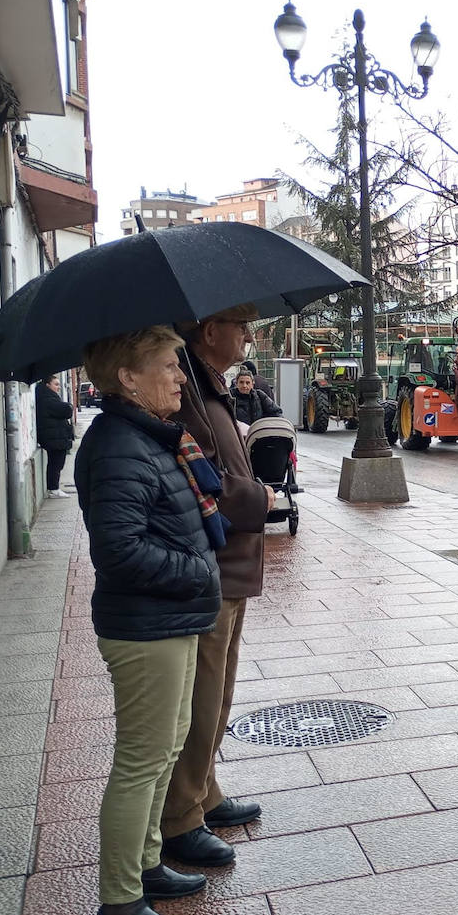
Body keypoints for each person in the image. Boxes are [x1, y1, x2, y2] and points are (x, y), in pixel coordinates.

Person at [75, 325, 226, 915]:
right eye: (169, 365)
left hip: (172, 618)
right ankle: (119, 906)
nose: (181, 376)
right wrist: (200, 572)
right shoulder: (116, 445)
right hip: (146, 627)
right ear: (128, 378)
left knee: (164, 751)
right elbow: (119, 551)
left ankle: (145, 864)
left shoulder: (149, 436)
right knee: (140, 762)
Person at [160, 304, 272, 867]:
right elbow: (203, 480)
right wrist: (261, 499)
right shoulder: (191, 395)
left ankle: (205, 790)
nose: (249, 337)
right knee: (204, 693)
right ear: (210, 332)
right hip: (217, 559)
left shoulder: (212, 390)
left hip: (233, 559)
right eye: (242, 327)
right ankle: (181, 814)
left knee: (221, 685)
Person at [36, 374, 75, 498]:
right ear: (48, 385)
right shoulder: (47, 399)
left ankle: (54, 488)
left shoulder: (46, 397)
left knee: (56, 463)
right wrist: (69, 406)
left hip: (54, 436)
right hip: (54, 437)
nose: (58, 387)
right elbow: (66, 410)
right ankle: (54, 489)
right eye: (56, 384)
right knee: (56, 463)